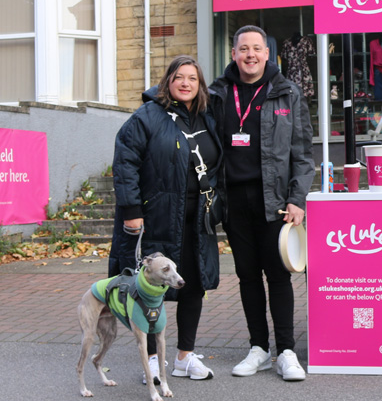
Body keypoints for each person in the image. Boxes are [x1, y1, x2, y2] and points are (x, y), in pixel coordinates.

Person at [210, 25, 315, 382]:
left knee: (279, 275)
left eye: (257, 48)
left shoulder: (287, 92)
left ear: (268, 53)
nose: (250, 54)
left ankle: (286, 351)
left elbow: (302, 153)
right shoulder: (218, 94)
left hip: (276, 202)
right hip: (233, 201)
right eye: (243, 49)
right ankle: (259, 348)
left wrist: (297, 198)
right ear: (234, 54)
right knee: (247, 276)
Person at [111, 55, 222, 382]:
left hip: (196, 223)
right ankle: (152, 362)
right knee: (147, 292)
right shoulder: (146, 117)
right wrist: (132, 210)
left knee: (194, 286)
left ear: (200, 85)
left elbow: (218, 166)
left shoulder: (207, 117)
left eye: (193, 78)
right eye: (179, 77)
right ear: (168, 81)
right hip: (155, 219)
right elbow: (125, 162)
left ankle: (185, 357)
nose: (186, 83)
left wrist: (218, 208)